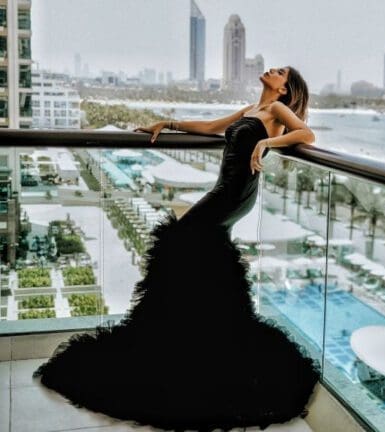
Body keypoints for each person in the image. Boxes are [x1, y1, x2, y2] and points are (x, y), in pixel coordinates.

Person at [33, 67, 321, 431]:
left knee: (178, 243)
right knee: (206, 259)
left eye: (280, 71)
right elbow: (210, 128)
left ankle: (170, 332)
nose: (271, 70)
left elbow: (307, 134)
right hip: (225, 190)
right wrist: (166, 123)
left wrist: (266, 143)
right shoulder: (252, 109)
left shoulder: (277, 112)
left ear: (284, 89)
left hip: (234, 194)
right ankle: (204, 337)